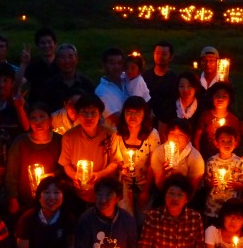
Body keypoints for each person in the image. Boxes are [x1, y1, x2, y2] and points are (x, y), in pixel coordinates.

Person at [57, 94, 120, 213]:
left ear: (100, 114)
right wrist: (75, 175)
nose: (89, 117)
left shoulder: (110, 134)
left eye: (93, 113)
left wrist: (99, 174)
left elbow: (114, 162)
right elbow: (66, 164)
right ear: (78, 114)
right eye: (84, 112)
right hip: (78, 192)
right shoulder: (69, 136)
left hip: (104, 190)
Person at [5, 103, 63, 219]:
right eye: (33, 118)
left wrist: (53, 175)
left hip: (53, 198)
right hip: (25, 200)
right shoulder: (20, 142)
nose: (38, 121)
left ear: (50, 120)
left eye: (42, 116)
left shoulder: (59, 141)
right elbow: (11, 173)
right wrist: (13, 198)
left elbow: (64, 167)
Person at [114, 96, 161, 224]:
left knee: (143, 220)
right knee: (125, 220)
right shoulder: (117, 134)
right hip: (123, 186)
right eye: (129, 112)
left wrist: (145, 191)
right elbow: (115, 158)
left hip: (144, 184)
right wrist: (121, 167)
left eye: (137, 112)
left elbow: (153, 164)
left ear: (144, 114)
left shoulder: (152, 135)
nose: (132, 116)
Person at [202, 125, 243, 225]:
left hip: (231, 206)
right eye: (223, 141)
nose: (226, 144)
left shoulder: (239, 162)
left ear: (235, 143)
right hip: (213, 207)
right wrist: (212, 183)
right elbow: (206, 182)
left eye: (230, 141)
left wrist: (235, 184)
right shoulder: (211, 161)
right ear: (216, 143)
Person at [150, 118, 205, 199]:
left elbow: (193, 189)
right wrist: (164, 173)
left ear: (188, 138)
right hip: (163, 194)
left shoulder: (196, 158)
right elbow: (159, 185)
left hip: (187, 197)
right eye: (172, 134)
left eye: (180, 135)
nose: (175, 138)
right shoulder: (159, 152)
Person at [193, 81, 241, 163]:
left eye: (224, 96)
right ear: (212, 97)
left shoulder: (233, 120)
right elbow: (196, 139)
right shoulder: (206, 116)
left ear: (229, 99)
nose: (220, 99)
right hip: (206, 156)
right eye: (217, 95)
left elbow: (237, 141)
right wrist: (199, 157)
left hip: (226, 159)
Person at [42, 43, 95, 112]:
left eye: (70, 57)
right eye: (62, 57)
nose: (67, 61)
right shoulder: (49, 85)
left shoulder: (87, 84)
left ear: (76, 59)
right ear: (57, 61)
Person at [0, 62, 29, 141]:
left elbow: (26, 128)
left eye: (5, 81)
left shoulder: (19, 101)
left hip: (14, 146)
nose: (1, 84)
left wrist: (19, 108)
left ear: (12, 83)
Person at [142, 40, 178, 127]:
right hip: (147, 120)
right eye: (157, 53)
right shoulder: (145, 76)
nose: (160, 56)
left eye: (164, 54)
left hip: (166, 122)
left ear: (170, 57)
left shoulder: (175, 78)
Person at [158, 71, 203, 141]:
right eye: (181, 86)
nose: (185, 90)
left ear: (195, 87)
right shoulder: (169, 105)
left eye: (189, 86)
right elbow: (162, 131)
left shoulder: (201, 107)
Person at [19, 27, 59, 104]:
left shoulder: (62, 64)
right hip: (37, 109)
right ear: (38, 46)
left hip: (59, 110)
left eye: (49, 42)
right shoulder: (33, 65)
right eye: (43, 43)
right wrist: (23, 63)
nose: (46, 45)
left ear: (55, 44)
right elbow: (18, 84)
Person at [95, 47, 129, 129]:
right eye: (112, 63)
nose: (116, 67)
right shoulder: (101, 91)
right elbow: (117, 119)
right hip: (114, 137)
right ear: (104, 65)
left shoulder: (128, 79)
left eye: (119, 63)